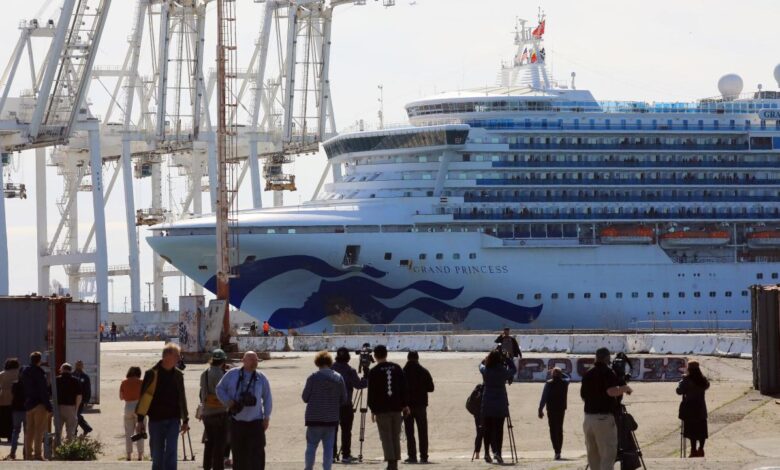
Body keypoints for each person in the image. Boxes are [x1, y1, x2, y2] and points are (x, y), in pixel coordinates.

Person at [135, 343, 190, 470]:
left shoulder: (178, 375)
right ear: (167, 356)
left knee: (172, 451)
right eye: (177, 355)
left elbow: (182, 398)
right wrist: (140, 420)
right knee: (157, 453)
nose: (179, 358)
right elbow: (143, 397)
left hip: (173, 419)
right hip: (156, 419)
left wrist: (185, 420)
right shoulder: (151, 373)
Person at [216, 351, 272, 470]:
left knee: (257, 456)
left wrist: (267, 417)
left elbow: (267, 398)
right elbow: (219, 389)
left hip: (256, 423)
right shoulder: (232, 374)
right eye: (251, 359)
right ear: (243, 360)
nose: (254, 362)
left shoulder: (261, 378)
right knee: (239, 456)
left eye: (256, 360)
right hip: (237, 422)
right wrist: (228, 402)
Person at [580, 348, 632, 470]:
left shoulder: (588, 373)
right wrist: (625, 388)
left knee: (593, 456)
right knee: (607, 455)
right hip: (603, 418)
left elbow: (583, 396)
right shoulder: (607, 372)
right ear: (607, 358)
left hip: (588, 418)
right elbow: (611, 391)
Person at [302, 351, 348, 470]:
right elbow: (344, 399)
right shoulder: (338, 378)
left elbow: (305, 397)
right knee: (328, 448)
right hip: (331, 418)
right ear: (329, 362)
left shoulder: (313, 377)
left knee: (311, 446)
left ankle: (308, 468)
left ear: (317, 362)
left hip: (314, 418)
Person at [367, 345, 409, 470]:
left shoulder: (373, 371)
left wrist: (373, 409)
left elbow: (372, 393)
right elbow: (404, 388)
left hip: (381, 409)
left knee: (386, 436)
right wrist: (405, 405)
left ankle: (391, 461)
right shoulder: (397, 368)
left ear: (375, 356)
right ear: (386, 354)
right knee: (395, 435)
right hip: (396, 408)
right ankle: (395, 461)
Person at [330, 347, 366, 464]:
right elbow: (359, 385)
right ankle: (346, 455)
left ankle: (331, 455)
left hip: (332, 405)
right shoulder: (350, 370)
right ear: (348, 358)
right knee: (346, 430)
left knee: (332, 431)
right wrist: (366, 377)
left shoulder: (330, 369)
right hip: (346, 405)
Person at [479, 349, 515, 464]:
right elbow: (513, 370)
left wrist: (485, 360)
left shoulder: (486, 370)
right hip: (500, 402)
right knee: (499, 429)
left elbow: (480, 365)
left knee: (487, 429)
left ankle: (486, 453)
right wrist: (508, 359)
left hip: (487, 402)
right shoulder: (503, 371)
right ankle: (498, 453)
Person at [402, 351, 434, 464]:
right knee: (423, 432)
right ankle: (424, 456)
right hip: (421, 405)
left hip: (407, 406)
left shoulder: (403, 372)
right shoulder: (423, 371)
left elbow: (399, 389)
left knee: (409, 433)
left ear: (408, 358)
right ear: (417, 358)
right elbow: (431, 388)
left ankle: (412, 456)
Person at [20, 351, 52, 461]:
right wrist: (48, 405)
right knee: (39, 430)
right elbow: (43, 390)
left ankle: (28, 455)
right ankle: (38, 455)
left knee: (29, 431)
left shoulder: (24, 371)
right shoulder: (39, 372)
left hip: (29, 403)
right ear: (40, 360)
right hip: (39, 404)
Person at [200, 349, 229, 470]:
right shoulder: (222, 375)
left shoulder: (204, 373)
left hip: (207, 413)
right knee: (219, 445)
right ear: (223, 360)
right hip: (221, 413)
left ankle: (206, 467)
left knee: (209, 443)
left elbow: (202, 393)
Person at [677, 361, 710, 458]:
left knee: (692, 431)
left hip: (690, 408)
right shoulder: (703, 380)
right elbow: (707, 385)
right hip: (701, 408)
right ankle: (701, 449)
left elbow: (679, 391)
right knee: (701, 431)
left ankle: (693, 450)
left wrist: (682, 380)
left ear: (689, 369)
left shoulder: (686, 380)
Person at [538, 367, 571, 460]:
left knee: (553, 429)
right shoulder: (565, 382)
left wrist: (540, 409)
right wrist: (561, 373)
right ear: (561, 375)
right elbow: (568, 377)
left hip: (551, 409)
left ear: (552, 374)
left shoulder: (548, 384)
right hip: (561, 408)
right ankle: (559, 450)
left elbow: (544, 397)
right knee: (559, 429)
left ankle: (556, 451)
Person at [120, 366, 144, 461]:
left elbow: (121, 397)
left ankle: (129, 455)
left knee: (128, 432)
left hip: (128, 406)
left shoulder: (124, 382)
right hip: (139, 406)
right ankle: (140, 455)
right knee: (140, 432)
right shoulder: (141, 382)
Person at [55, 363, 82, 444]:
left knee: (57, 431)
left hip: (58, 407)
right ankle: (69, 450)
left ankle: (56, 450)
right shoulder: (75, 380)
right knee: (70, 431)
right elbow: (79, 396)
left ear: (62, 369)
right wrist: (76, 410)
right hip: (71, 408)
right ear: (70, 370)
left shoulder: (56, 380)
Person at [0, 358, 21, 443]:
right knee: (12, 419)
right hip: (15, 398)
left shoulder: (2, 374)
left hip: (2, 398)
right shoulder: (19, 374)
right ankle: (10, 436)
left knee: (2, 417)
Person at [72, 360, 93, 436]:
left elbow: (88, 389)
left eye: (80, 365)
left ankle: (74, 432)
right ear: (75, 366)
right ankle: (86, 428)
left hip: (81, 400)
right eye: (78, 365)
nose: (79, 366)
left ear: (82, 366)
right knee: (75, 415)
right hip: (71, 400)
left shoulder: (85, 377)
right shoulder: (72, 375)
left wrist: (86, 400)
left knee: (76, 415)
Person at [8, 376, 26, 460]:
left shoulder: (14, 384)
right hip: (26, 409)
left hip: (16, 409)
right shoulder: (29, 384)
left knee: (15, 431)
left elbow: (12, 394)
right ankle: (26, 452)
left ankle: (12, 452)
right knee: (27, 432)